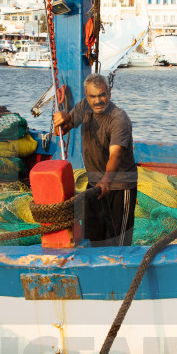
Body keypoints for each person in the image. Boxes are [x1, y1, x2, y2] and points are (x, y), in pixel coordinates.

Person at [51, 73, 137, 246]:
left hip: (119, 187)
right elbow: (63, 129)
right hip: (94, 186)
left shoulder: (118, 118)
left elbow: (116, 155)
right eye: (93, 96)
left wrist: (106, 182)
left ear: (109, 93)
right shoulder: (83, 107)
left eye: (102, 95)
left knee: (117, 244)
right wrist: (60, 121)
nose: (98, 101)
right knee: (92, 239)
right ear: (86, 95)